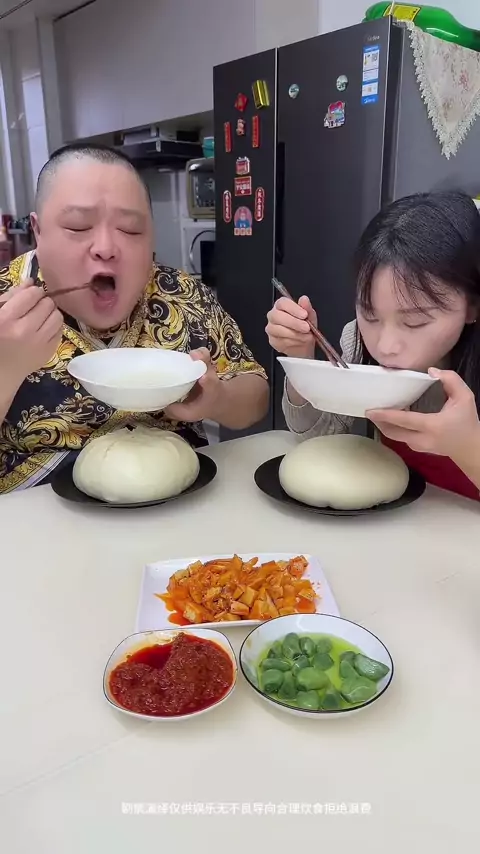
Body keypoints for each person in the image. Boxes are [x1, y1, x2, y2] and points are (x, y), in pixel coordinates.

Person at [0, 144, 269, 493]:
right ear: (38, 230)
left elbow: (255, 395)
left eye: (130, 230)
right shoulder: (6, 303)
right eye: (78, 227)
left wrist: (218, 400)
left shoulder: (182, 294)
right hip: (33, 513)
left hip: (179, 499)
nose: (105, 247)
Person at [266, 191, 480, 501]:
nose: (385, 346)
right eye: (370, 314)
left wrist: (468, 447)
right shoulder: (356, 340)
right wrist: (303, 359)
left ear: (472, 307)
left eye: (414, 322)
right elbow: (315, 437)